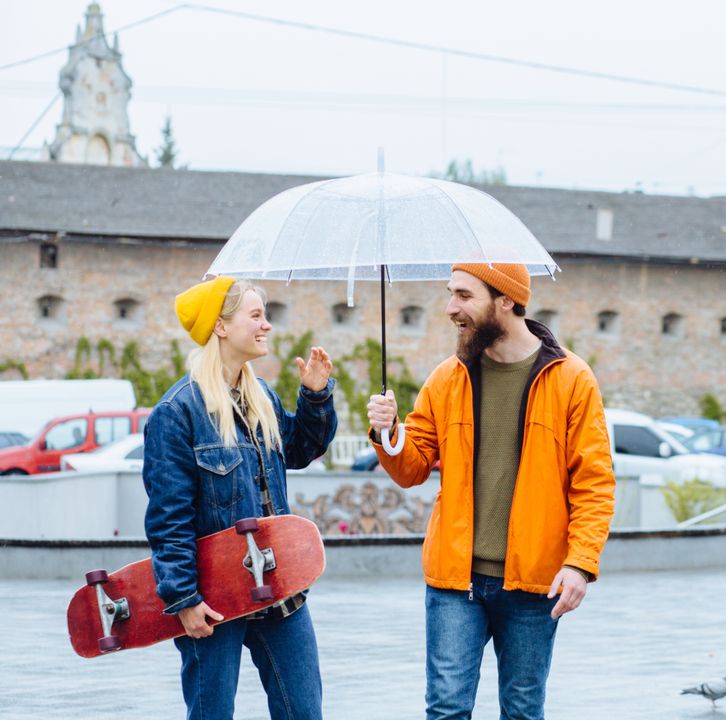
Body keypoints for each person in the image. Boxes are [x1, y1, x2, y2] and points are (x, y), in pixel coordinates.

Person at [366, 263, 615, 720]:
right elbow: (412, 468)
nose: (450, 308)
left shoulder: (571, 379)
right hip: (454, 581)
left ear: (506, 300)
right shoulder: (447, 377)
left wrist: (580, 564)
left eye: (463, 295)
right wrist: (388, 433)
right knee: (445, 710)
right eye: (450, 294)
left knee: (522, 710)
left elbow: (594, 484)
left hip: (534, 584)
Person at [143, 276, 337, 720]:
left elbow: (301, 450)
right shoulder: (176, 413)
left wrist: (314, 395)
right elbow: (168, 519)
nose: (267, 325)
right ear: (221, 327)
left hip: (278, 589)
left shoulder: (260, 397)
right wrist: (184, 600)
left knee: (304, 711)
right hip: (214, 597)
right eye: (255, 315)